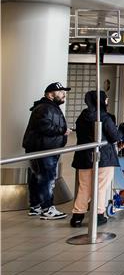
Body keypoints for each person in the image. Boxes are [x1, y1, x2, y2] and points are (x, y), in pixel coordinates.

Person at [70, 90, 124, 228]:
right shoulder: (104, 117)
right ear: (100, 101)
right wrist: (122, 130)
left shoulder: (82, 116)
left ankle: (77, 215)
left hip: (83, 157)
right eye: (106, 99)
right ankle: (98, 215)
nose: (107, 101)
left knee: (84, 187)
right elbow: (115, 137)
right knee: (100, 187)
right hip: (103, 157)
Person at [22, 82, 71, 220]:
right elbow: (44, 126)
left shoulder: (49, 107)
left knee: (38, 177)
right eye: (60, 92)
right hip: (44, 149)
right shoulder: (44, 108)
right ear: (50, 94)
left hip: (44, 148)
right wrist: (63, 130)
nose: (64, 94)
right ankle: (47, 208)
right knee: (46, 178)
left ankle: (36, 206)